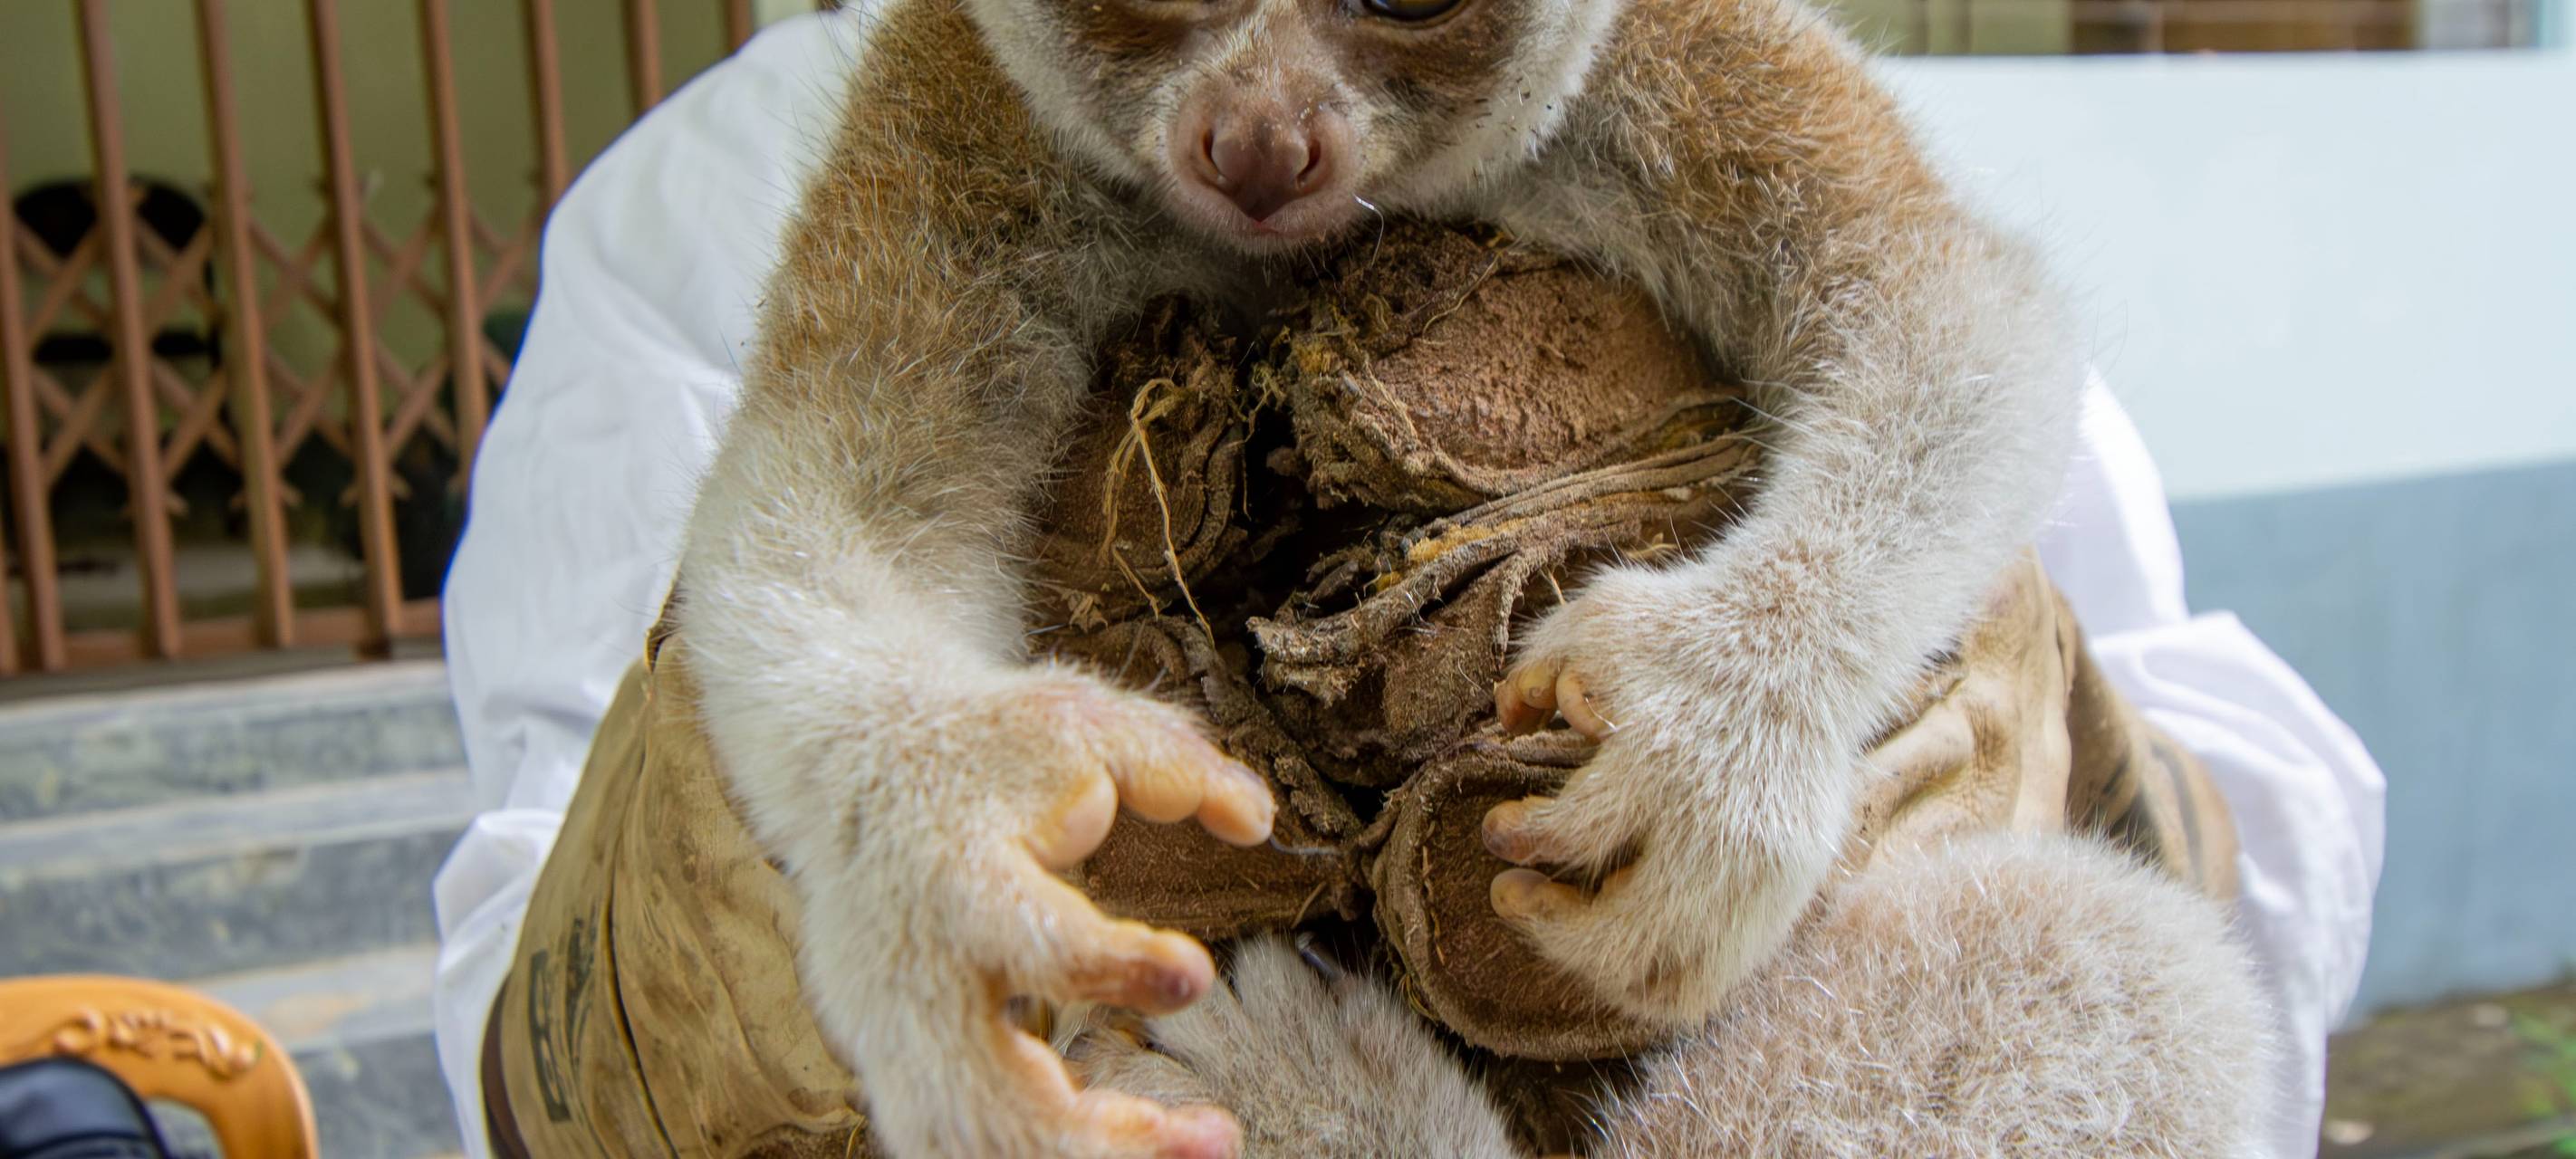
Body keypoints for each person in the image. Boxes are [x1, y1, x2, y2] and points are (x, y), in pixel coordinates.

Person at [428, 10, 2386, 1157]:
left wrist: (1819, 660)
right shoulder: (817, 143)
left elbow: (1967, 348)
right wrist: (870, 784)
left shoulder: (1677, 51)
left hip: (1762, 1061)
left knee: (2124, 988)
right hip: (1189, 1070)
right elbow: (825, 517)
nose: (1268, 108)